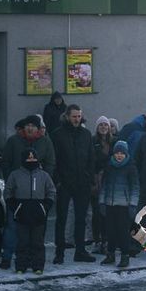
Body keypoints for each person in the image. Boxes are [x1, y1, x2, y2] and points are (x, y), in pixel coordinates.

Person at [0, 116, 56, 270]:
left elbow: (51, 162)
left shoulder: (45, 142)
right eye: (28, 125)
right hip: (18, 193)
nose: (30, 128)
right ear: (23, 128)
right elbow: (5, 162)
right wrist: (12, 178)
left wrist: (45, 178)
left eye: (33, 126)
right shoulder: (14, 141)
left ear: (38, 128)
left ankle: (34, 261)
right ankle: (7, 257)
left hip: (38, 194)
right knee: (13, 228)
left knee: (36, 233)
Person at [51, 104, 95, 264]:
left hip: (82, 182)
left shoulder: (86, 134)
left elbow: (91, 157)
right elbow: (54, 159)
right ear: (67, 116)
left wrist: (89, 177)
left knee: (81, 218)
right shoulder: (58, 134)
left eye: (78, 116)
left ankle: (80, 251)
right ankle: (59, 252)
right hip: (65, 182)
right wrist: (58, 181)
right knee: (61, 218)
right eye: (74, 116)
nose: (76, 119)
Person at [98, 140, 139, 269]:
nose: (119, 155)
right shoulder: (109, 166)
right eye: (117, 153)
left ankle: (125, 255)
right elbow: (104, 186)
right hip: (110, 203)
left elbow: (135, 187)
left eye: (122, 153)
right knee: (110, 230)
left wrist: (132, 204)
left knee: (122, 231)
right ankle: (110, 254)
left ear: (126, 154)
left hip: (124, 205)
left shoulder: (131, 168)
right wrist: (102, 202)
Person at [90, 116, 113, 254]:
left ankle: (107, 240)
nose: (103, 127)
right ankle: (97, 240)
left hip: (110, 181)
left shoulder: (114, 141)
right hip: (97, 180)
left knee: (108, 214)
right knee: (97, 213)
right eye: (101, 125)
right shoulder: (93, 142)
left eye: (106, 125)